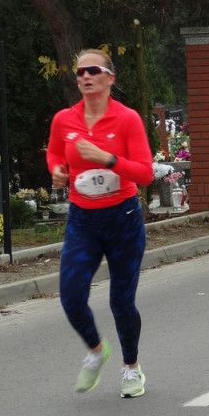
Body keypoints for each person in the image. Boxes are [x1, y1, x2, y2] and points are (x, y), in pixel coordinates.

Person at [46, 49, 155, 398]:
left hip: (122, 217)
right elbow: (53, 152)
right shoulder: (64, 119)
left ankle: (131, 368)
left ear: (110, 77)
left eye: (93, 71)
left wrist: (107, 158)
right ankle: (96, 351)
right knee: (71, 295)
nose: (85, 77)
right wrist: (57, 170)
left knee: (121, 301)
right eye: (79, 73)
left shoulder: (127, 119)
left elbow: (145, 173)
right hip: (83, 219)